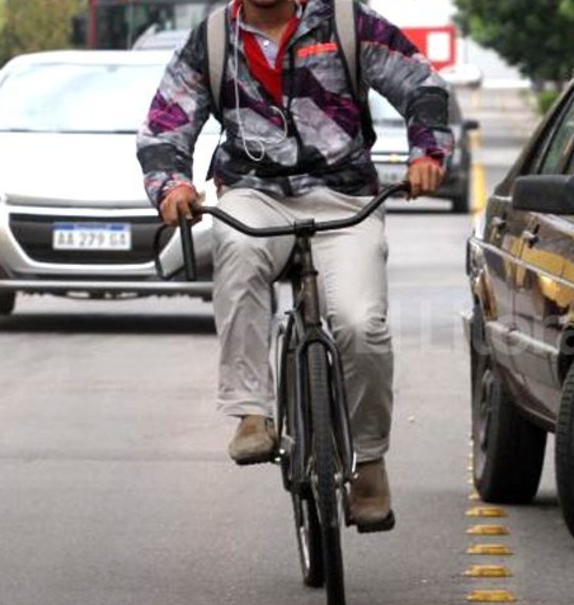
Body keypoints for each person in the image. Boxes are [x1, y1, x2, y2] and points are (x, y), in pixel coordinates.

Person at [137, 0, 450, 532]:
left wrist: (427, 154)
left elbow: (421, 84)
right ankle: (251, 413)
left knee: (360, 324)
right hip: (254, 194)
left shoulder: (346, 22)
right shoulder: (212, 39)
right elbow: (165, 125)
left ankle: (369, 461)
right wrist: (172, 185)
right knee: (237, 249)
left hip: (345, 199)